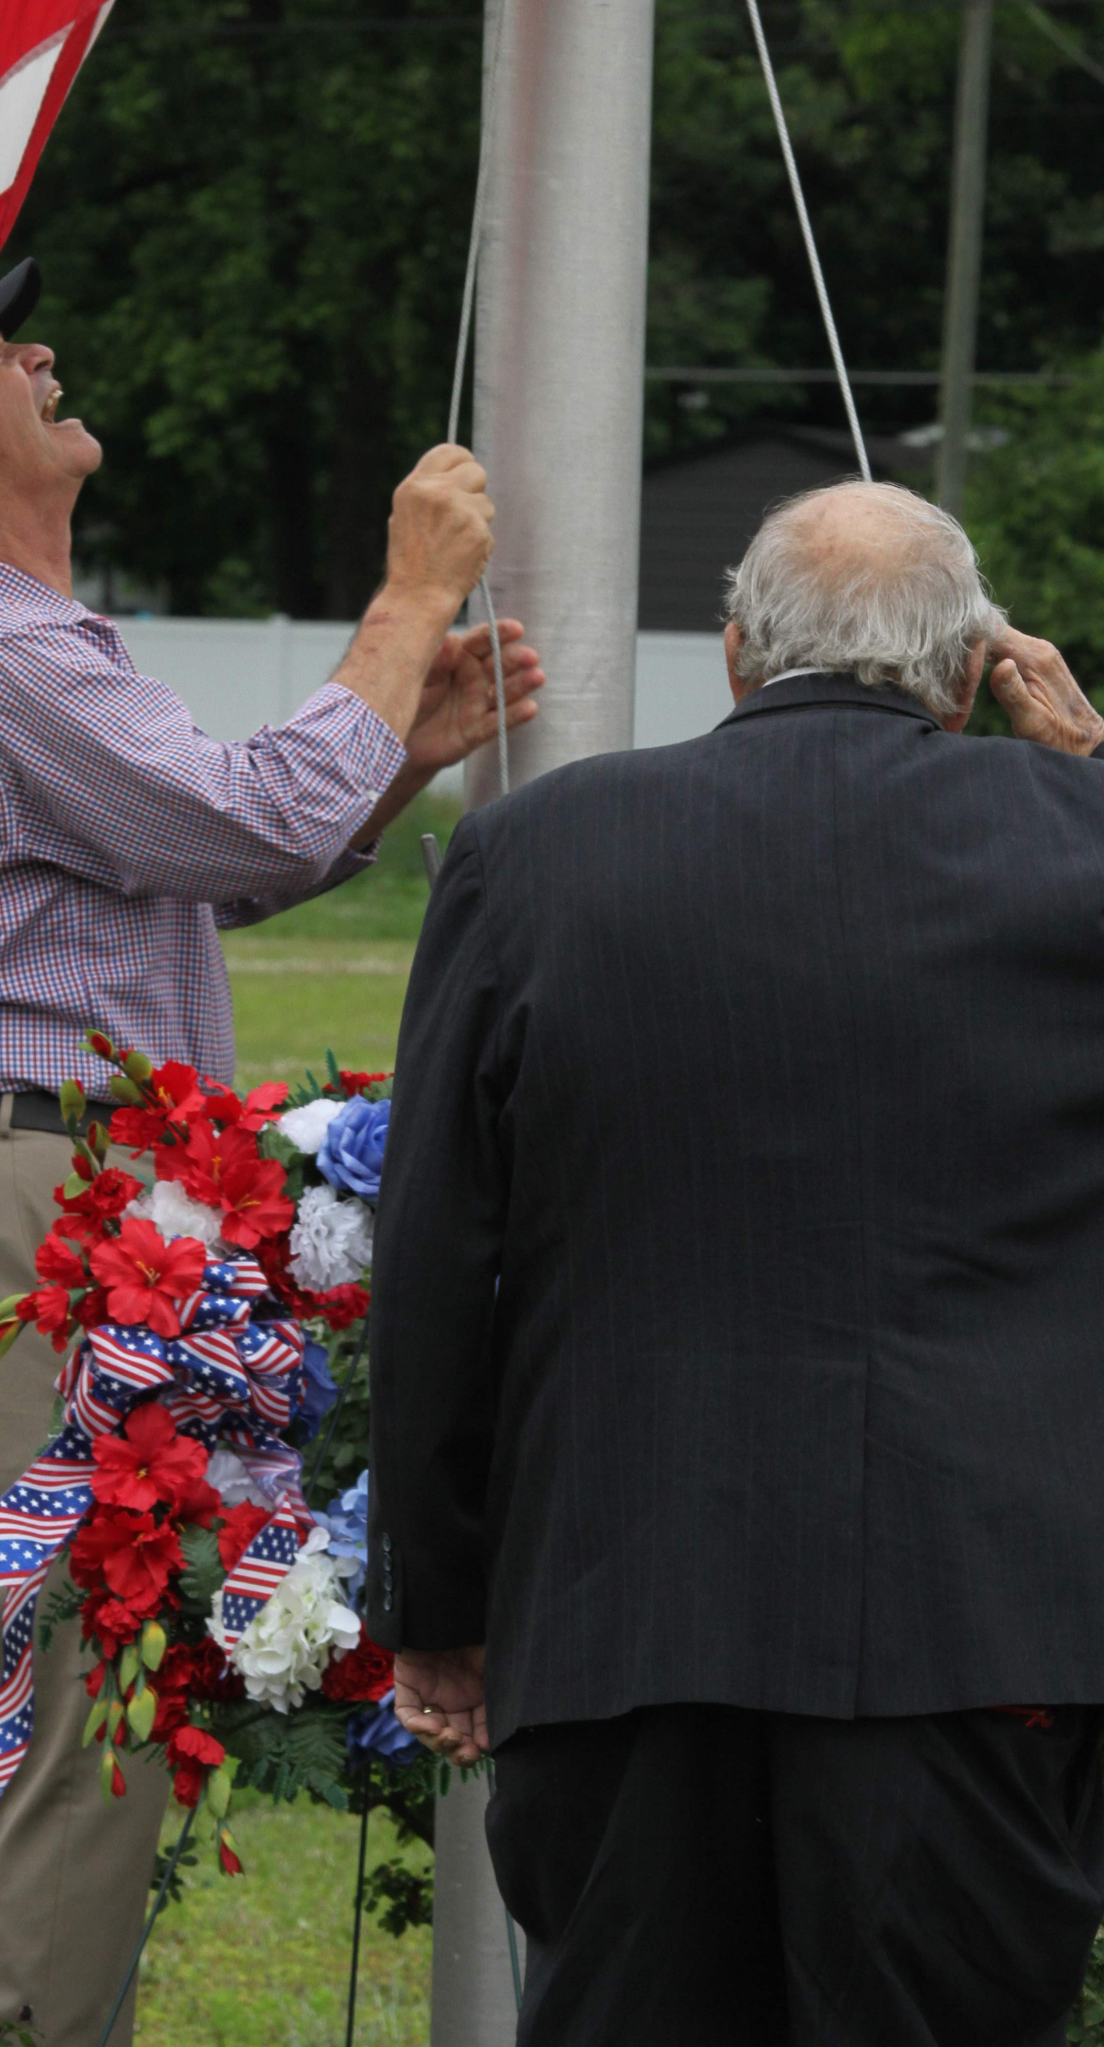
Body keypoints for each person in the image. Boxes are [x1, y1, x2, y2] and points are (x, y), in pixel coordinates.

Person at [0, 258, 542, 2047]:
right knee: (73, 1686)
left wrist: (392, 749)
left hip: (25, 1197)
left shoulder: (12, 647)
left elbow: (231, 856)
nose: (42, 349)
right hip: (15, 1204)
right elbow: (240, 815)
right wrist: (409, 590)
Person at [369, 477, 1104, 2047]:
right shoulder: (1080, 850)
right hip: (979, 1626)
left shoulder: (529, 856)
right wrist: (1090, 769)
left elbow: (435, 1254)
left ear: (732, 657)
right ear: (975, 671)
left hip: (624, 1608)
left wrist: (434, 1596)